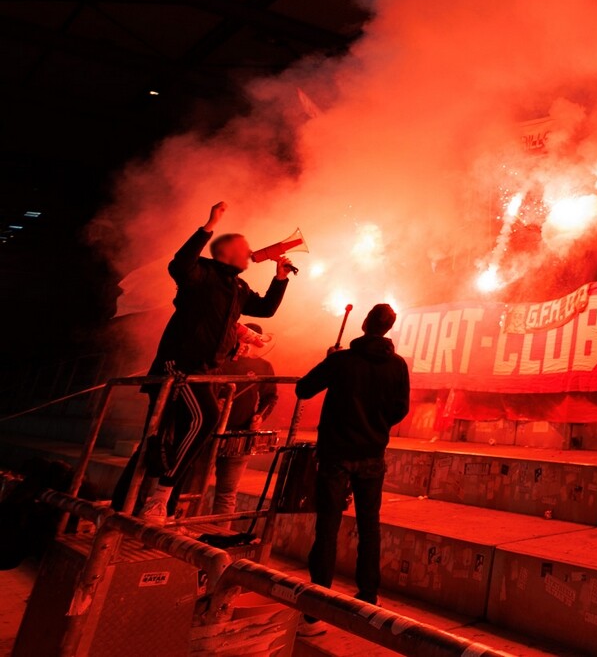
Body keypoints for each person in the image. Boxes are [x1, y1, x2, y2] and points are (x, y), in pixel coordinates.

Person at [121, 201, 292, 523]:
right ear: (224, 253)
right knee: (205, 418)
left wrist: (280, 278)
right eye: (244, 249)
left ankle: (154, 504)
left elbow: (267, 309)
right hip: (180, 366)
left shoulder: (238, 287)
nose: (251, 253)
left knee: (170, 437)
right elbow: (179, 264)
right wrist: (209, 225)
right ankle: (159, 496)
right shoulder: (202, 273)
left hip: (206, 371)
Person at [295, 303, 410, 627]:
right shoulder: (398, 365)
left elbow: (303, 388)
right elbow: (401, 409)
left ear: (364, 324)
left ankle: (317, 602)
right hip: (373, 455)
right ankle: (368, 594)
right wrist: (377, 426)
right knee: (369, 525)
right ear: (388, 329)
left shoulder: (343, 360)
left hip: (336, 454)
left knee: (328, 526)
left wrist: (328, 360)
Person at [207, 323, 278, 521]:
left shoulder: (263, 367)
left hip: (239, 435)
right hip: (208, 432)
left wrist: (260, 416)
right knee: (192, 485)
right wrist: (215, 401)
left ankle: (216, 538)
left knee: (227, 493)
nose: (247, 345)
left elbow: (270, 397)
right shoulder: (220, 360)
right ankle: (176, 527)